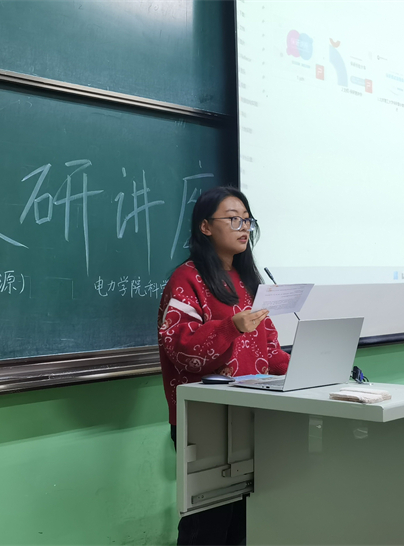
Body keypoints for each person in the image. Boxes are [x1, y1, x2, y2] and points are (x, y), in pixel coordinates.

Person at [157, 186, 289, 545]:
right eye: (233, 219)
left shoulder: (247, 282)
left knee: (244, 522)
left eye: (247, 220)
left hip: (250, 412)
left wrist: (307, 368)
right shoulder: (186, 279)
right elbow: (180, 348)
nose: (243, 227)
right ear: (205, 227)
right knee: (208, 524)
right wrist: (230, 327)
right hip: (205, 418)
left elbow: (269, 350)